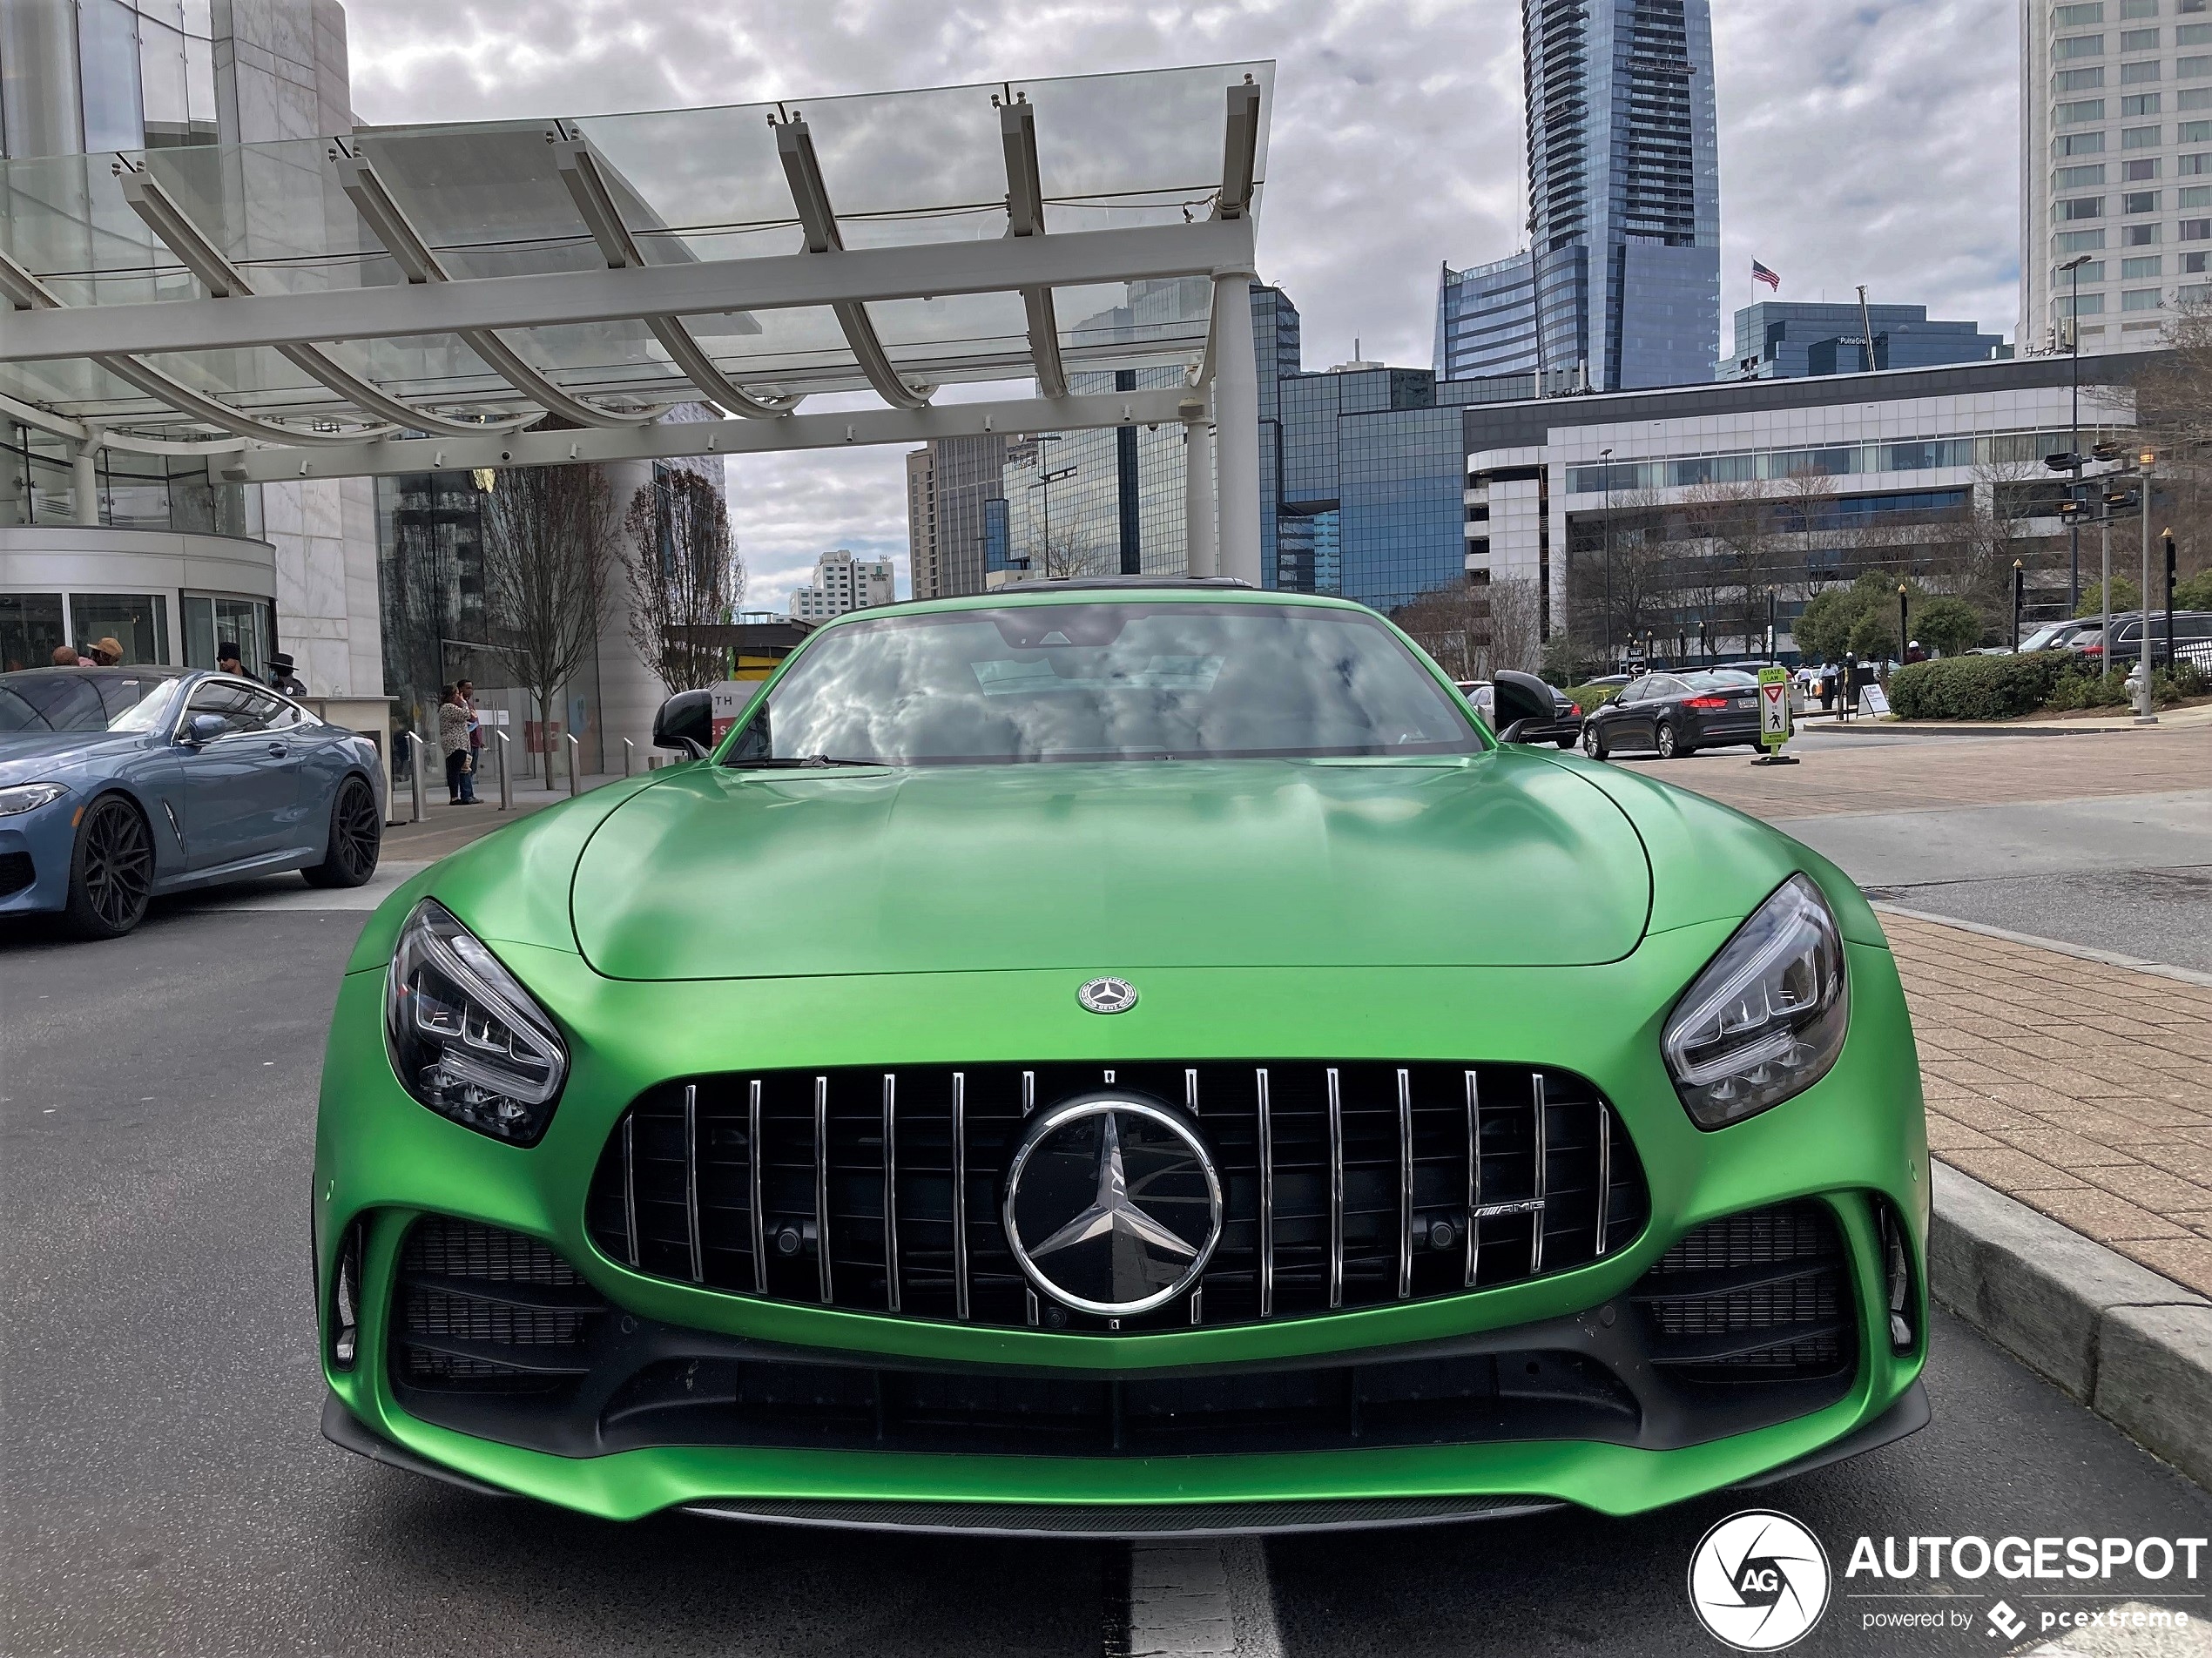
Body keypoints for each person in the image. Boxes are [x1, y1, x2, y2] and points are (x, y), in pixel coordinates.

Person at [437, 686, 475, 806]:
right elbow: (466, 714)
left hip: (457, 742)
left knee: (456, 769)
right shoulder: (449, 707)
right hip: (456, 743)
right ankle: (454, 797)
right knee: (454, 770)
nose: (459, 696)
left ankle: (457, 795)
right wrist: (463, 702)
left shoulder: (447, 708)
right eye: (458, 694)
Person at [456, 678, 482, 804]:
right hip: (467, 742)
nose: (470, 690)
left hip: (475, 742)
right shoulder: (460, 703)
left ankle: (470, 793)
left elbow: (475, 722)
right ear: (460, 689)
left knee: (472, 769)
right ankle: (466, 794)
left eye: (471, 688)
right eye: (467, 688)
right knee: (466, 769)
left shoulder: (469, 704)